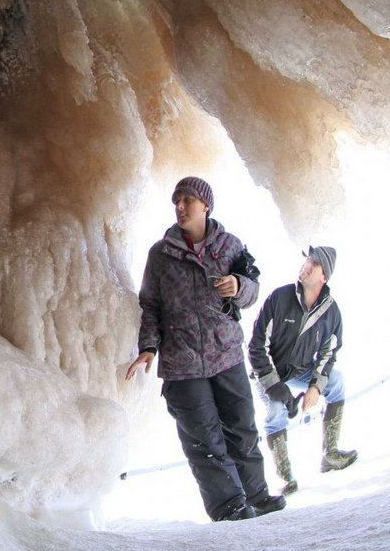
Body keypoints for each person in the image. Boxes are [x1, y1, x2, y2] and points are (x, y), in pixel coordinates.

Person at [126, 176, 285, 521]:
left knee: (242, 428)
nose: (180, 207)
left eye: (187, 200)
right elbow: (150, 304)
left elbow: (253, 290)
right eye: (177, 201)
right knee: (204, 442)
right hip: (182, 365)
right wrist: (149, 347)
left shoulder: (230, 245)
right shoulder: (160, 254)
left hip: (226, 354)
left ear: (206, 206)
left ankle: (256, 495)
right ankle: (229, 509)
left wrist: (239, 286)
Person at [248, 246, 358, 495]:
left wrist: (316, 387)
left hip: (301, 371)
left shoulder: (332, 312)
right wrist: (275, 386)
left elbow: (328, 355)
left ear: (324, 277)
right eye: (307, 260)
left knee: (336, 383)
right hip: (269, 372)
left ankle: (330, 454)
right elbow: (256, 346)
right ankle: (285, 476)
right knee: (276, 410)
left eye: (314, 263)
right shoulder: (280, 298)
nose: (306, 265)